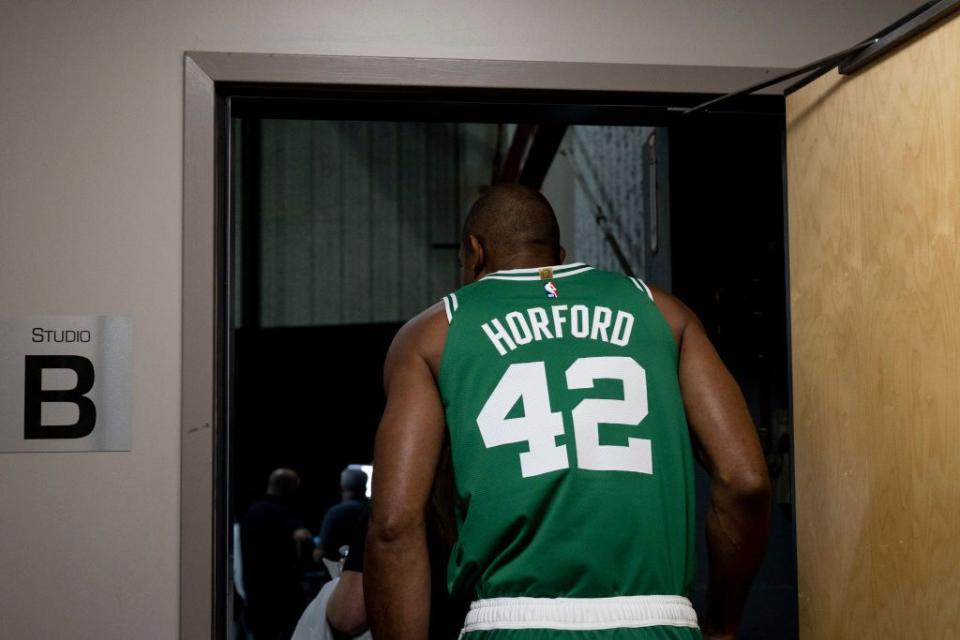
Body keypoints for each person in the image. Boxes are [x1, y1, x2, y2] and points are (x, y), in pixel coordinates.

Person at [365, 183, 771, 640]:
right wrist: (721, 623)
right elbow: (747, 481)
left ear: (474, 253)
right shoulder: (665, 313)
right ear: (558, 254)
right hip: (657, 620)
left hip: (513, 623)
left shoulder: (432, 335)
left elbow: (394, 526)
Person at [239, 468, 313, 640]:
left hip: (255, 591)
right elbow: (302, 537)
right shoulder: (284, 512)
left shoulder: (252, 511)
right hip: (282, 594)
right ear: (285, 486)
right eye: (295, 486)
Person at [318, 467, 370, 562]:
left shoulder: (336, 512)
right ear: (365, 486)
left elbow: (321, 553)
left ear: (342, 486)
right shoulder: (372, 510)